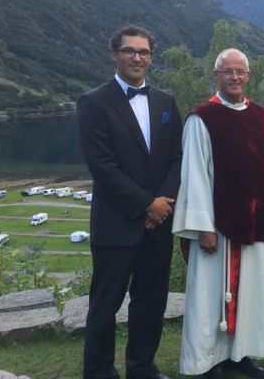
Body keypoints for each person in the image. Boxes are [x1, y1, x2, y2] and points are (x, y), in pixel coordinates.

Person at [78, 25, 182, 379]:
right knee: (104, 306)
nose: (137, 57)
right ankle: (99, 372)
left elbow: (176, 158)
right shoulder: (93, 102)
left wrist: (162, 204)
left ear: (151, 58)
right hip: (116, 223)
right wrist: (145, 205)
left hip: (158, 223)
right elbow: (102, 165)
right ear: (115, 54)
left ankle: (142, 367)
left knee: (151, 303)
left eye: (144, 52)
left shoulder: (165, 102)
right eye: (129, 51)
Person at [172, 49, 264, 379]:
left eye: (240, 71)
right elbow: (195, 173)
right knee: (208, 296)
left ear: (248, 75)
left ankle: (240, 355)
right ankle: (207, 360)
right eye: (227, 71)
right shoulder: (203, 118)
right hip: (217, 224)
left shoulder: (260, 116)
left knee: (250, 295)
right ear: (216, 76)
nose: (234, 77)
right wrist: (203, 227)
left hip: (251, 223)